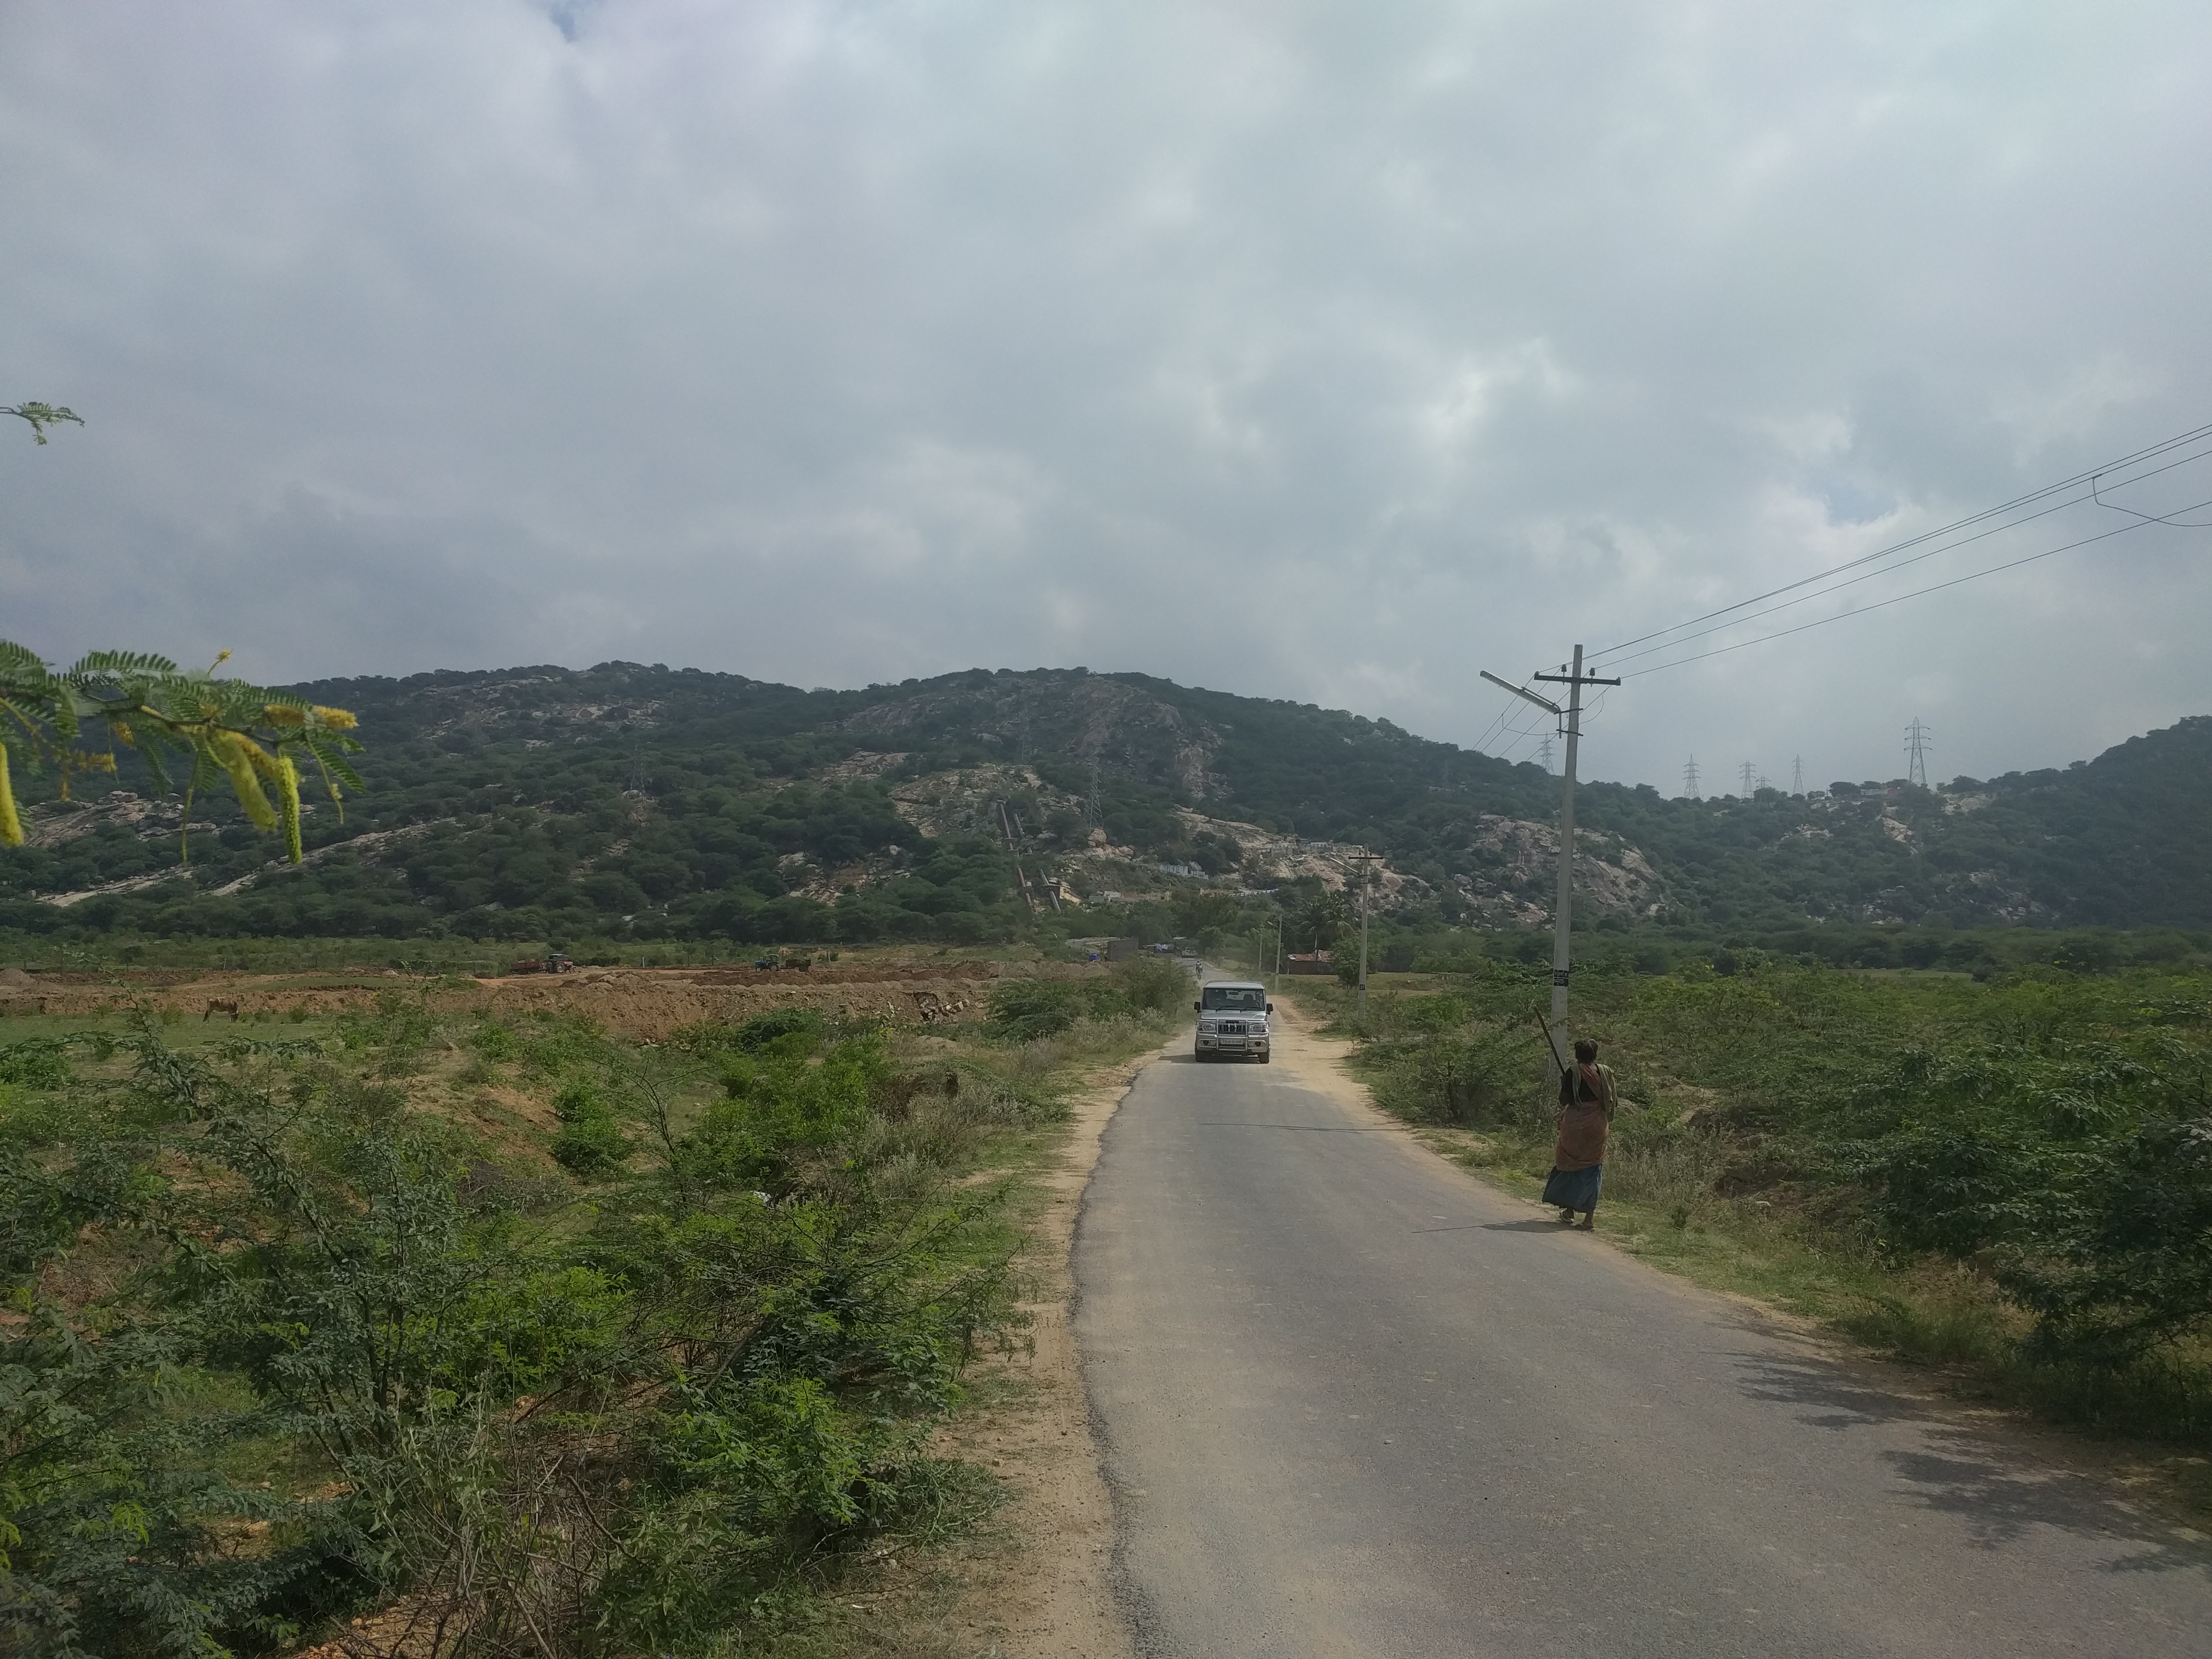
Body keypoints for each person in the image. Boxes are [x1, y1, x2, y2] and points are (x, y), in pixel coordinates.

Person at [1543, 1037, 1618, 1229]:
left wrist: (1565, 1083)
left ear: (1577, 1056)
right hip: (1598, 1126)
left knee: (1569, 1164)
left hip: (1575, 1126)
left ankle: (1569, 1210)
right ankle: (1588, 1219)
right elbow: (1612, 1100)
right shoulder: (1606, 1072)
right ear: (1595, 1055)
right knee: (1594, 1168)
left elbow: (1564, 1100)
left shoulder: (1573, 1072)